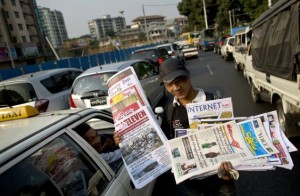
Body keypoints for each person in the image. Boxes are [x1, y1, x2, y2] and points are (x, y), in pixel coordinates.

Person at [114, 58, 237, 195]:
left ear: (188, 75)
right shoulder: (169, 112)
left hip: (221, 180)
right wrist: (125, 139)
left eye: (180, 81)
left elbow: (232, 138)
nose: (176, 88)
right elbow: (161, 145)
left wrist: (231, 165)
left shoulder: (214, 101)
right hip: (192, 184)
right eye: (169, 84)